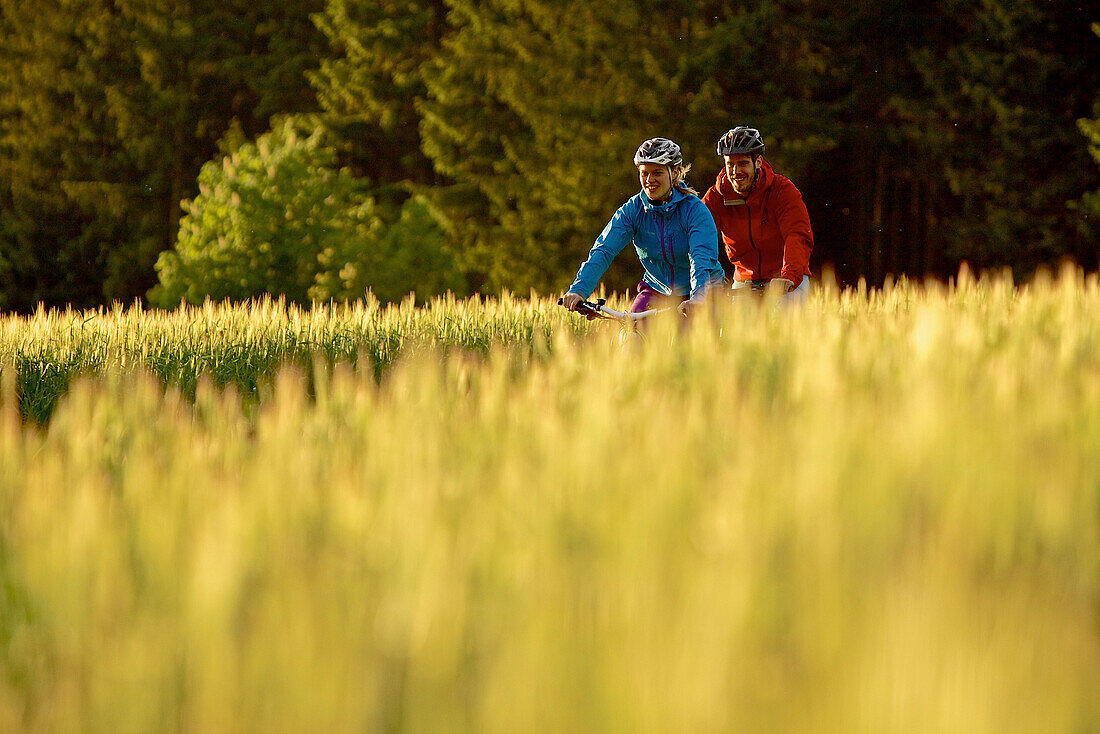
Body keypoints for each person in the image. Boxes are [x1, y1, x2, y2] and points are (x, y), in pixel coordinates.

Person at [560, 137, 726, 319]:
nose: (649, 180)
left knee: (687, 342)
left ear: (675, 172)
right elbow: (604, 249)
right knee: (631, 333)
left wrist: (698, 298)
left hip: (702, 291)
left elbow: (701, 259)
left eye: (657, 173)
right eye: (644, 173)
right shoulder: (633, 210)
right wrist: (579, 289)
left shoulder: (695, 210)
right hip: (657, 289)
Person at [702, 126, 814, 301]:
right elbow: (698, 241)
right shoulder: (716, 197)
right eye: (730, 164)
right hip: (744, 281)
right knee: (732, 327)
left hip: (785, 279)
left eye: (743, 163)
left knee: (785, 323)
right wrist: (711, 281)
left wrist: (789, 276)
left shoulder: (782, 190)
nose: (735, 172)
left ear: (759, 162)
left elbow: (797, 235)